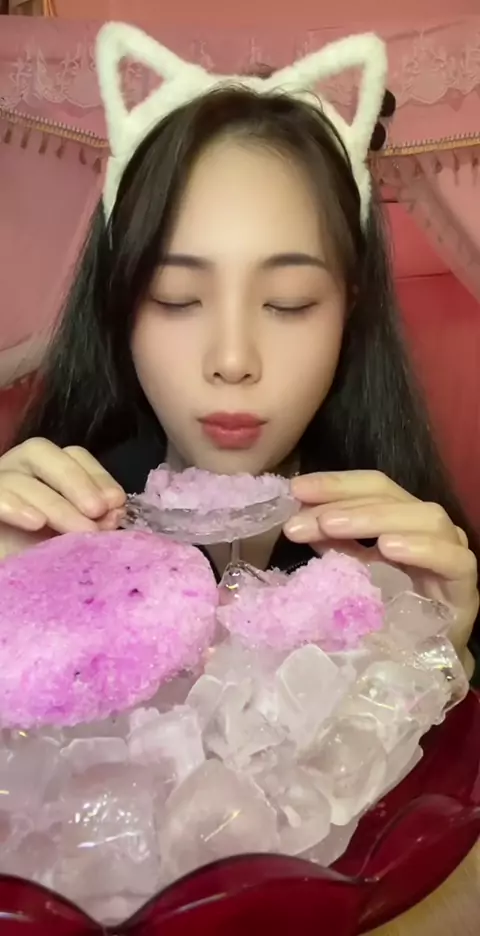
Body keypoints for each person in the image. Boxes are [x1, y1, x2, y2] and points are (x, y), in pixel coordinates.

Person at [0, 25, 478, 677]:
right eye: (175, 298)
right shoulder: (50, 535)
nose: (231, 360)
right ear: (119, 304)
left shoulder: (409, 561)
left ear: (350, 308)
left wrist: (442, 667)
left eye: (288, 302)